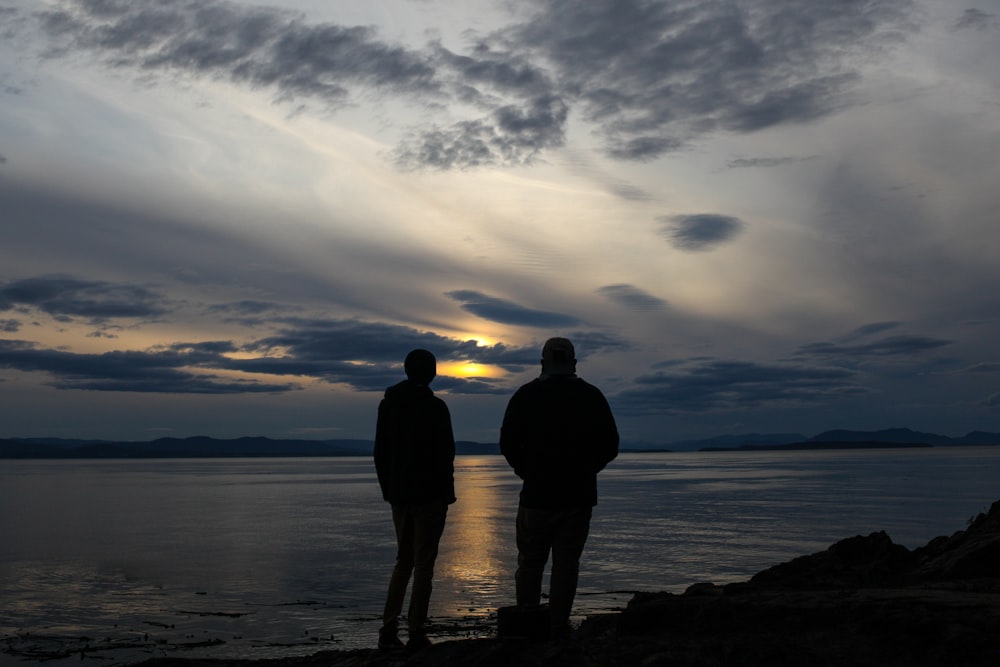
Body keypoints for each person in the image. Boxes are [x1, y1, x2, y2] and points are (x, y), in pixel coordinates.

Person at [499, 337, 619, 638]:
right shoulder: (591, 396)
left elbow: (508, 443)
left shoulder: (526, 395)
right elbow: (610, 445)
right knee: (566, 564)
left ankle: (528, 624)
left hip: (536, 496)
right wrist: (588, 470)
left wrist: (526, 471)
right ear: (574, 363)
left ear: (542, 363)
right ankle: (557, 625)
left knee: (530, 563)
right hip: (577, 497)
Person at [374, 349, 456, 650]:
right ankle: (417, 632)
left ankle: (388, 629)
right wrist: (447, 493)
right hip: (430, 496)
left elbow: (380, 452)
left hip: (401, 496)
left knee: (404, 562)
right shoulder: (436, 408)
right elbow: (446, 453)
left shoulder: (389, 405)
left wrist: (389, 490)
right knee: (423, 565)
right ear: (431, 373)